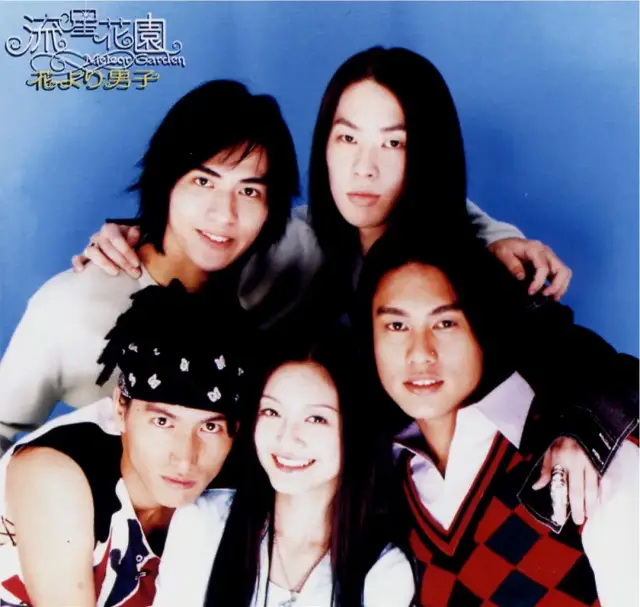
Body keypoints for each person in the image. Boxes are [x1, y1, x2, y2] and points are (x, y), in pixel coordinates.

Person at [48, 47, 635, 508]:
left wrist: (580, 434)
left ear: (425, 153)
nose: (364, 168)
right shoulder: (292, 245)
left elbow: (607, 374)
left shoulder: (472, 272)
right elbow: (209, 241)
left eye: (394, 143)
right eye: (347, 138)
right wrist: (144, 235)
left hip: (450, 524)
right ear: (323, 144)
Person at [0, 79, 305, 454]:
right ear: (166, 180)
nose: (224, 214)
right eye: (203, 181)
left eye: (249, 191)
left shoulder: (285, 263)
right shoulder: (73, 306)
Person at [355, 232, 638, 607]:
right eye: (396, 326)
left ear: (481, 328)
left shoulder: (583, 450)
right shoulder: (384, 485)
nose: (420, 354)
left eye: (445, 323)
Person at [0, 281, 257, 606]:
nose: (185, 458)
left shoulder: (237, 486)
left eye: (209, 427)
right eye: (162, 422)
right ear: (121, 408)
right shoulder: (56, 472)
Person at [153, 335, 415, 606]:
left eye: (316, 418)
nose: (286, 438)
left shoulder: (383, 571)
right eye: (272, 412)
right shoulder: (204, 522)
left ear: (356, 432)